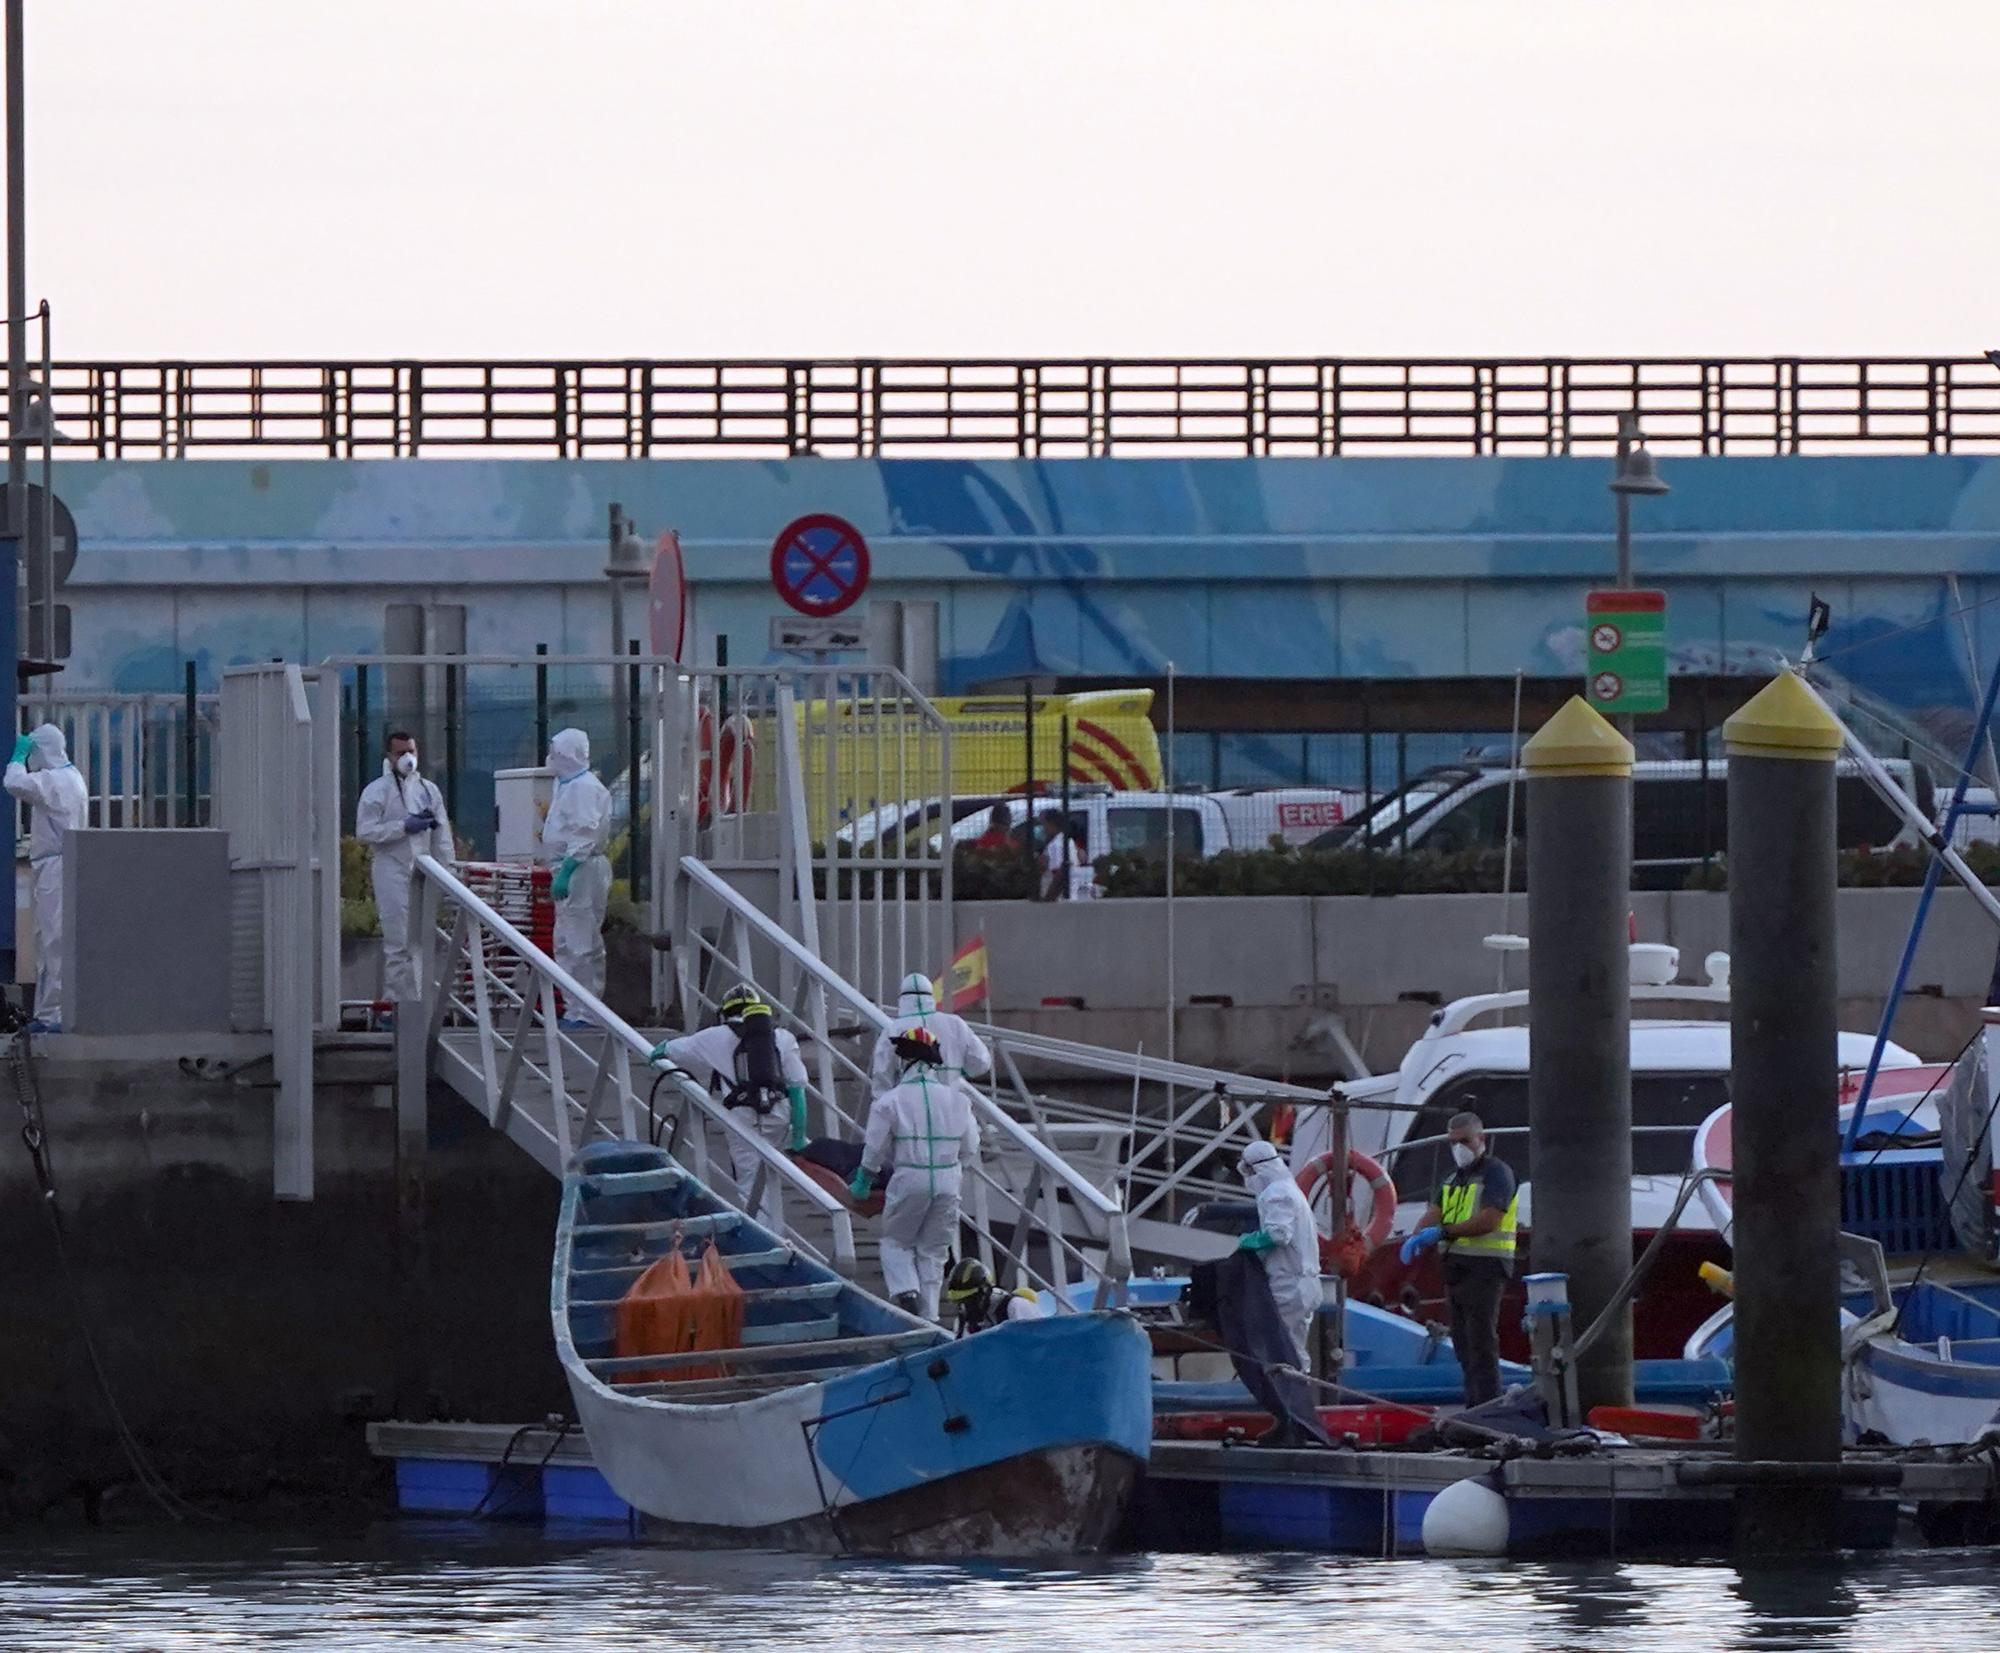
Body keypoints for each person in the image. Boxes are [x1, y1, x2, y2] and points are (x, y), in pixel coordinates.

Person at [649, 986, 810, 1230]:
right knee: (771, 1177)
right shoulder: (782, 1037)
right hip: (780, 1113)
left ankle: (763, 1235)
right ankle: (777, 1230)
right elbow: (798, 1089)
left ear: (724, 1012)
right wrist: (798, 1136)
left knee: (749, 1179)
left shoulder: (714, 1036)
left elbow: (665, 1050)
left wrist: (656, 1054)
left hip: (743, 1115)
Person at [850, 1026, 979, 1320]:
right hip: (948, 1179)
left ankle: (906, 1291)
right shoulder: (959, 1101)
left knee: (896, 1241)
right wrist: (954, 1168)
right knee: (933, 1250)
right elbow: (970, 1146)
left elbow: (874, 1150)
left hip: (910, 1176)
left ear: (904, 1060)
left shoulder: (889, 1102)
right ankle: (930, 1315)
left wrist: (862, 1182)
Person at [1399, 1110, 1519, 1407]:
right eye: (1453, 1142)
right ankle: (1473, 1405)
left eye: (1464, 1141)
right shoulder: (1453, 1178)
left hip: (1486, 1267)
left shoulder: (1496, 1173)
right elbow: (1434, 1211)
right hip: (1458, 1270)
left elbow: (1489, 1220)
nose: (1459, 1148)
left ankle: (1488, 1407)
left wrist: (1442, 1234)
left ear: (1482, 1138)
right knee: (1464, 1345)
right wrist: (1416, 1237)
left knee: (1481, 1342)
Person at [354, 729, 454, 1009]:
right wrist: (402, 827)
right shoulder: (377, 791)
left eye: (411, 751)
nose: (407, 758)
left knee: (421, 941)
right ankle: (396, 1005)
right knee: (398, 941)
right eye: (400, 752)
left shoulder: (428, 790)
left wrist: (449, 873)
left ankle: (419, 1004)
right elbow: (365, 831)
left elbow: (442, 836)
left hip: (422, 870)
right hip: (391, 869)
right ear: (388, 755)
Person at [4, 725, 89, 1033]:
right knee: (46, 938)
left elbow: (13, 783)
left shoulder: (55, 781)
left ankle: (55, 1015)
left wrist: (17, 756)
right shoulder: (72, 777)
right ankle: (48, 1012)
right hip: (55, 864)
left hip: (56, 864)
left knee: (55, 939)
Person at [539, 728, 612, 1026]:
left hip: (580, 869)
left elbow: (584, 833)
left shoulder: (583, 788)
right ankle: (575, 1009)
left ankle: (587, 1012)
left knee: (581, 942)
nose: (551, 757)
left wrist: (567, 871)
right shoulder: (566, 785)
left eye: (556, 751)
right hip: (570, 867)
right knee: (567, 942)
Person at [1234, 1138, 1322, 1366]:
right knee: (1295, 1349)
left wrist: (1250, 1241)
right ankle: (1302, 1392)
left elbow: (1278, 1234)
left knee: (1281, 1349)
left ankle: (1292, 1397)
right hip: (1304, 1283)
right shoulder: (1290, 1190)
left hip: (1289, 1284)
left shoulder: (1276, 1194)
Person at [868, 971, 993, 1094]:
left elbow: (882, 1076)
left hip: (909, 1105)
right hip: (950, 1101)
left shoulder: (893, 1030)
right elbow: (982, 1062)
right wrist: (957, 1072)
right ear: (931, 996)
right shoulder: (955, 1024)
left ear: (902, 999)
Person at [944, 1256, 1041, 1335]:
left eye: (970, 1300)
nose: (966, 1306)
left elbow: (1035, 1343)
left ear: (986, 1291)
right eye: (961, 1302)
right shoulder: (962, 1321)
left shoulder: (1015, 1306)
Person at [1038, 808, 1095, 901]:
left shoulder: (1056, 845)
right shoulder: (1068, 842)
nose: (1043, 829)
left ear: (1051, 824)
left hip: (1057, 902)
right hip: (1068, 899)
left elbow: (1059, 875)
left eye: (1043, 824)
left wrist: (1048, 900)